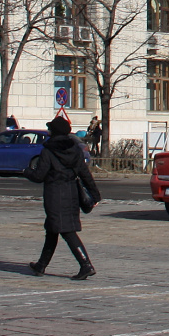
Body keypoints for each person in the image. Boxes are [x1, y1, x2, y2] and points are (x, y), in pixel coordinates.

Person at [24, 115, 100, 280]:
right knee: (53, 229)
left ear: (54, 132)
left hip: (54, 194)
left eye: (50, 129)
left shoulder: (48, 151)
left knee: (66, 230)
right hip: (72, 193)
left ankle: (86, 265)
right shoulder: (75, 150)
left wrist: (27, 172)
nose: (48, 131)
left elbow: (39, 176)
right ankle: (41, 265)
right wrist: (95, 195)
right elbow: (85, 174)